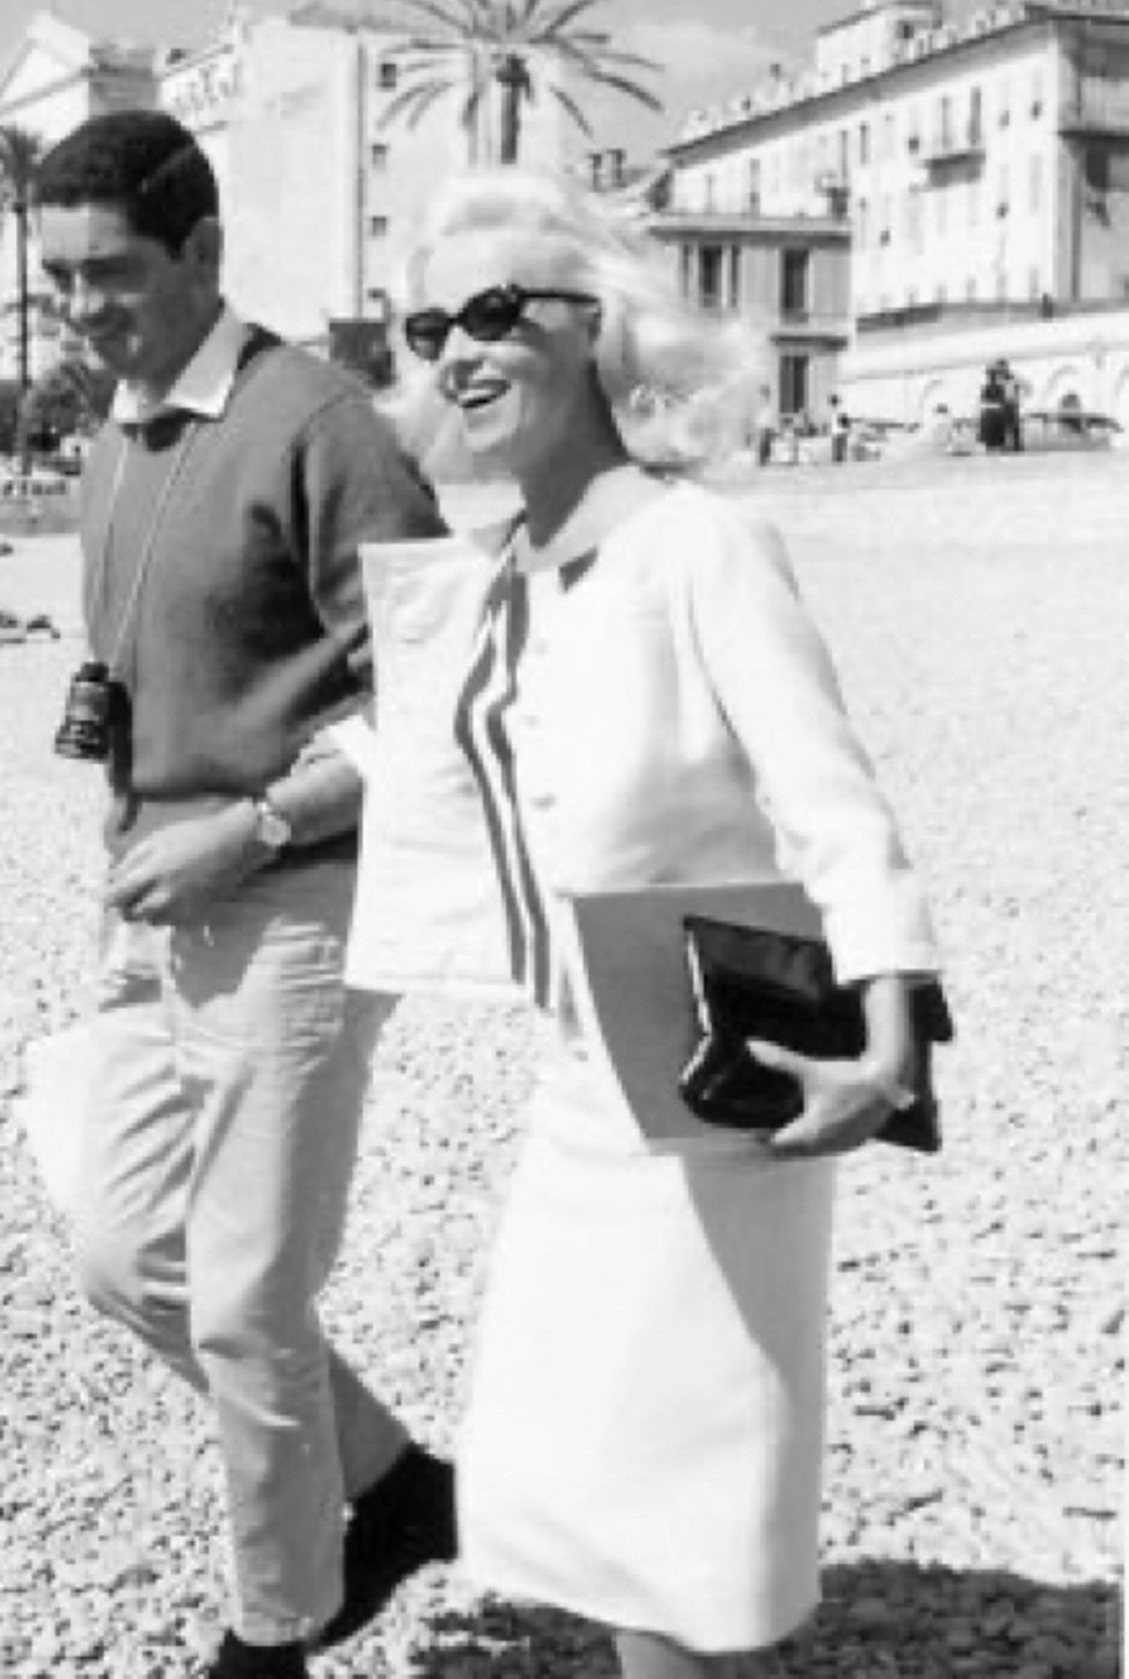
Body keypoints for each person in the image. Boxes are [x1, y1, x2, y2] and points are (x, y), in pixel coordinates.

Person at [337, 169, 942, 1678]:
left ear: (596, 332)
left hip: (720, 1090)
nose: (457, 352)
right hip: (575, 1082)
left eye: (494, 312)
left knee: (688, 1523)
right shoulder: (486, 583)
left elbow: (833, 801)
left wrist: (887, 1044)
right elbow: (415, 759)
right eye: (429, 327)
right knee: (592, 1496)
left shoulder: (700, 548)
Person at [21, 111, 450, 1679]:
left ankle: (278, 1626)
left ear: (203, 252)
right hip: (154, 909)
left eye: (111, 274)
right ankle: (395, 1485)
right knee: (130, 1255)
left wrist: (256, 824)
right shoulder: (115, 441)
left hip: (304, 899)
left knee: (250, 1291)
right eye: (58, 279)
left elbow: (443, 697)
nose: (82, 311)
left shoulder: (325, 425)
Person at [977, 366, 1008, 453]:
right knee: (994, 440)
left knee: (992, 440)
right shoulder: (997, 388)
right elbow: (1002, 401)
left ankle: (994, 450)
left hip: (991, 413)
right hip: (995, 413)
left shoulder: (989, 388)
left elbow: (983, 401)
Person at [828, 391, 851, 464]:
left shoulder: (839, 410)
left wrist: (845, 430)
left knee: (839, 456)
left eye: (832, 402)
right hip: (837, 434)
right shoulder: (835, 411)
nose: (831, 404)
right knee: (837, 456)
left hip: (839, 434)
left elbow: (845, 422)